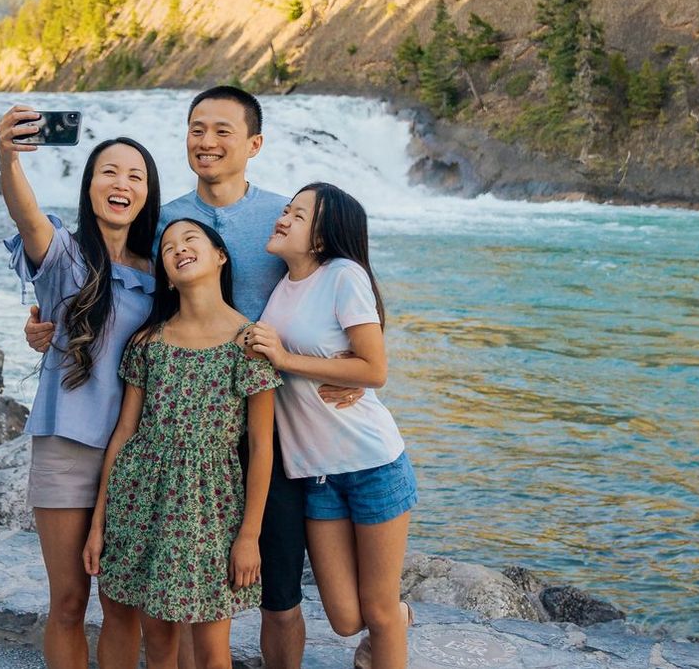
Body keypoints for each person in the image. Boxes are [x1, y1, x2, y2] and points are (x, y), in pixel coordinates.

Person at [24, 86, 359, 669]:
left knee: (277, 593)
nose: (207, 142)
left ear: (254, 143)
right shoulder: (162, 221)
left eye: (222, 131)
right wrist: (46, 322)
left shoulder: (284, 216)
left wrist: (353, 366)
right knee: (163, 605)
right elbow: (108, 281)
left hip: (272, 424)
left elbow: (344, 284)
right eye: (196, 129)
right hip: (171, 432)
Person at [0, 107, 158, 669]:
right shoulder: (64, 255)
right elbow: (27, 216)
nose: (122, 184)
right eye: (109, 172)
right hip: (66, 444)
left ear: (147, 194)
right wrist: (9, 157)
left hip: (136, 454)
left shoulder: (163, 271)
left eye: (135, 176)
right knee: (68, 601)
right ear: (90, 187)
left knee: (123, 605)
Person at [84, 218, 280, 669]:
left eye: (190, 239)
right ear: (167, 276)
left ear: (220, 257)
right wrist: (99, 524)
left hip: (210, 510)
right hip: (140, 503)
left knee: (213, 649)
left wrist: (249, 536)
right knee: (158, 644)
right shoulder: (148, 342)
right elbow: (123, 436)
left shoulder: (248, 342)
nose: (178, 248)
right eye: (168, 247)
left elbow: (261, 448)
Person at [246, 183, 415, 669]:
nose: (283, 218)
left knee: (377, 612)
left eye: (298, 215)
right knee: (344, 618)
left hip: (373, 465)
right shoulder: (281, 285)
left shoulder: (343, 275)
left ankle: (392, 623)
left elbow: (373, 370)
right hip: (315, 473)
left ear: (321, 238)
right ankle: (401, 617)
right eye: (286, 209)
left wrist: (287, 358)